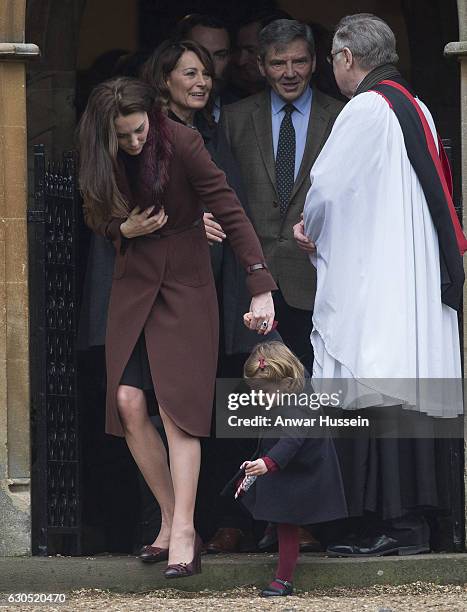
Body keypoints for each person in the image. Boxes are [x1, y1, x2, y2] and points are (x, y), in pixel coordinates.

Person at [78, 77, 277, 577]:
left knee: (177, 409)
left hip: (186, 282)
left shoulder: (183, 142)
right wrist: (122, 229)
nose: (133, 142)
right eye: (122, 136)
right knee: (127, 402)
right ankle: (169, 517)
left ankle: (185, 529)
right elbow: (94, 214)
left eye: (138, 130)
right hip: (133, 283)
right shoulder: (101, 151)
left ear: (152, 114)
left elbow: (229, 209)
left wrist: (259, 283)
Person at [298, 13, 465, 556]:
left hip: (380, 275)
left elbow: (325, 189)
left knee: (376, 383)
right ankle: (419, 524)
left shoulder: (367, 108)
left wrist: (309, 232)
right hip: (410, 271)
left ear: (347, 58)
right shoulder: (415, 106)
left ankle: (389, 525)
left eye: (331, 59)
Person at [221, 18, 344, 372]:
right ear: (260, 66)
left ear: (315, 62)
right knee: (254, 398)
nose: (290, 72)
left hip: (316, 282)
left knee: (312, 395)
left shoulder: (341, 117)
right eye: (278, 63)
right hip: (251, 284)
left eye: (299, 61)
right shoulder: (234, 119)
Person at [231, 341, 347, 597]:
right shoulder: (287, 387)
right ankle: (272, 523)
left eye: (263, 392)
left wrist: (268, 463)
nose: (258, 397)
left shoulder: (298, 404)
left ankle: (283, 579)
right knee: (255, 498)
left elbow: (292, 439)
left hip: (301, 472)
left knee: (287, 524)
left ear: (284, 384)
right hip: (285, 469)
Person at [173, 14, 237, 120]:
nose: (210, 64)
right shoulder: (151, 117)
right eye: (199, 53)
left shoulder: (241, 111)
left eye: (220, 55)